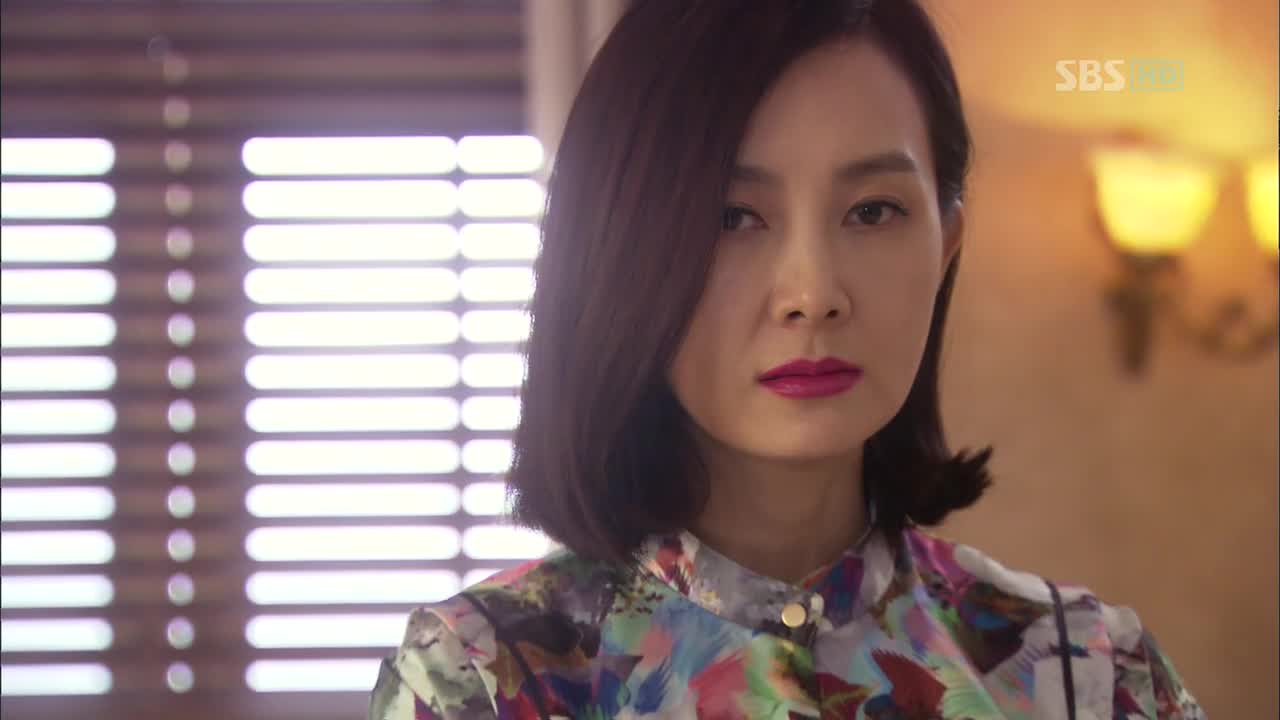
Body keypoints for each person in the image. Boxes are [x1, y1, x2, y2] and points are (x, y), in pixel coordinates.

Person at [369, 1, 1204, 717]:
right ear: (619, 251)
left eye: (872, 211)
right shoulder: (486, 678)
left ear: (946, 244)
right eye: (733, 218)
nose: (813, 293)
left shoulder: (1088, 675)